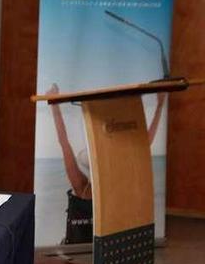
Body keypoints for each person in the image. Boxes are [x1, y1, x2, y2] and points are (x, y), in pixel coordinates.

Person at [46, 83, 167, 243]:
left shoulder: (87, 187)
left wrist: (54, 105)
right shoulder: (88, 187)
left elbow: (64, 142)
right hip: (81, 249)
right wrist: (159, 106)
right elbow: (144, 145)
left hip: (89, 248)